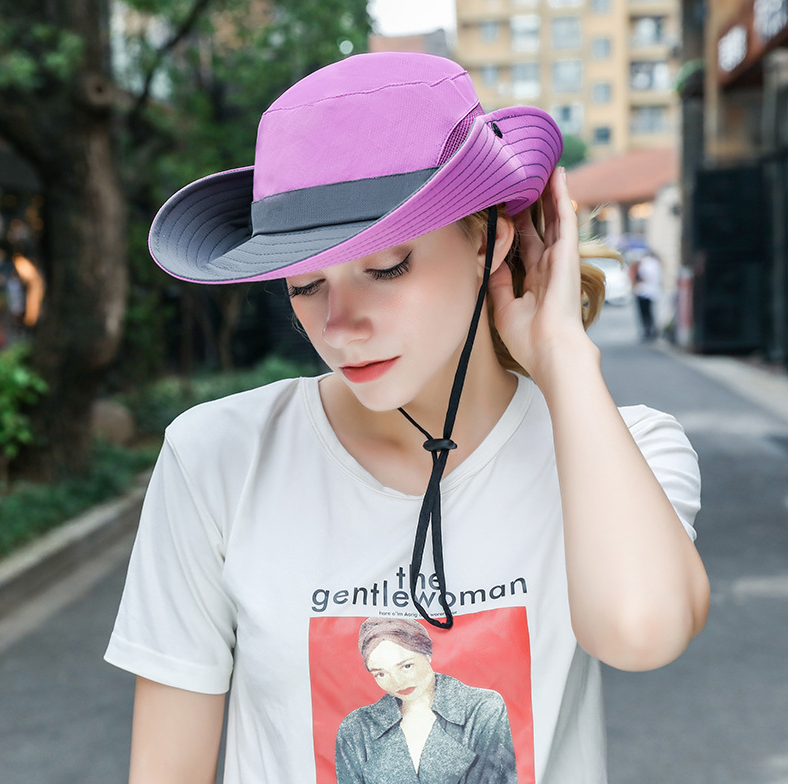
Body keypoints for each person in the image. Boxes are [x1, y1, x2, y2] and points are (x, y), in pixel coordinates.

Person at [105, 52, 709, 784]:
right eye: (305, 284)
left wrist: (565, 360)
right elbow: (165, 771)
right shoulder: (219, 455)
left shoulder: (621, 447)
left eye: (385, 268)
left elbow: (642, 632)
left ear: (488, 238)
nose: (339, 325)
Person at [336, 617, 517, 784]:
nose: (398, 682)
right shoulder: (357, 727)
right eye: (381, 674)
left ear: (427, 654)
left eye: (407, 666)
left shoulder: (482, 707)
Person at [633, 249, 662, 341]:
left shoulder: (645, 263)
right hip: (652, 291)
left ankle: (647, 331)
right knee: (650, 313)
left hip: (643, 291)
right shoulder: (656, 264)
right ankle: (652, 331)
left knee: (644, 313)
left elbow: (641, 276)